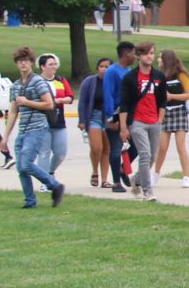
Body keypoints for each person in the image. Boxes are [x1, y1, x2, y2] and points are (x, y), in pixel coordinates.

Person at [0, 47, 66, 208]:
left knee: (27, 164)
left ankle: (55, 186)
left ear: (31, 63)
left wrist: (27, 102)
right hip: (23, 129)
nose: (23, 64)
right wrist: (5, 137)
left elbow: (49, 104)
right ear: (16, 64)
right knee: (21, 168)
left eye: (26, 61)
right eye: (20, 61)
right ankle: (30, 200)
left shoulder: (37, 81)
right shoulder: (15, 85)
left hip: (37, 127)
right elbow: (13, 111)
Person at [119, 41, 167, 201]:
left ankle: (136, 180)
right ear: (138, 56)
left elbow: (162, 100)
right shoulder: (130, 78)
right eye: (146, 53)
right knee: (145, 154)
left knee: (153, 155)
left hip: (154, 121)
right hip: (137, 121)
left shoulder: (158, 76)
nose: (150, 56)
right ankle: (148, 191)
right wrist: (124, 127)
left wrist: (160, 118)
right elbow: (124, 104)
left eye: (152, 53)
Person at [153, 50, 189, 188]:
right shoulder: (159, 75)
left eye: (160, 57)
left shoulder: (181, 75)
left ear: (166, 60)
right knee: (162, 147)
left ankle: (186, 176)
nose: (157, 59)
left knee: (180, 146)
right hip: (164, 113)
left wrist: (172, 96)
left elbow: (188, 95)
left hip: (179, 112)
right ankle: (156, 174)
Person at [34, 53, 72, 192]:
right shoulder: (37, 81)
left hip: (58, 120)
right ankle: (45, 182)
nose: (54, 67)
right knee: (44, 152)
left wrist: (62, 100)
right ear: (42, 67)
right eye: (50, 64)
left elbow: (70, 96)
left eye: (55, 64)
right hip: (42, 121)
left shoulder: (60, 80)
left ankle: (50, 172)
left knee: (61, 152)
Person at [103, 41, 137, 193]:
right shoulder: (112, 71)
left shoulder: (129, 71)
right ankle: (116, 182)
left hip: (129, 113)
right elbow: (108, 94)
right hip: (115, 113)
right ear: (125, 54)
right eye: (133, 53)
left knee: (136, 146)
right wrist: (111, 118)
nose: (135, 56)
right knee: (116, 148)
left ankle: (123, 169)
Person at [78, 58, 113, 188]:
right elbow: (82, 102)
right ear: (97, 68)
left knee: (107, 149)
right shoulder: (89, 81)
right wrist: (82, 119)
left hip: (108, 118)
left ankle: (104, 179)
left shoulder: (113, 82)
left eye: (107, 67)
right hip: (94, 117)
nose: (104, 69)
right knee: (97, 147)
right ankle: (94, 171)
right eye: (101, 66)